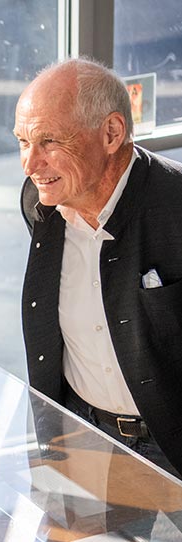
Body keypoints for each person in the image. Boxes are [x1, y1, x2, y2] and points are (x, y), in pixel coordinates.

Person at [15, 57, 182, 477]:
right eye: (22, 142)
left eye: (49, 141)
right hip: (85, 436)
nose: (31, 165)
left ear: (111, 133)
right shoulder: (41, 201)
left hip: (173, 447)